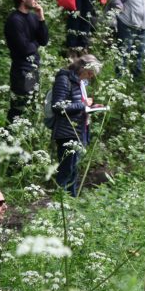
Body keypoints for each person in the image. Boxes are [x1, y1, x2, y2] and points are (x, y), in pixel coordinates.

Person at [49, 54, 102, 197]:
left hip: (79, 130)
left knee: (74, 169)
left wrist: (92, 107)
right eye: (90, 72)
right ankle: (61, 202)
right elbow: (57, 106)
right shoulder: (64, 79)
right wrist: (83, 105)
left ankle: (71, 201)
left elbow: (79, 105)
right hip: (67, 132)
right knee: (66, 170)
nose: (91, 76)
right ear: (82, 68)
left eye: (92, 74)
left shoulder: (80, 82)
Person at [4, 0, 49, 123]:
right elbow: (24, 48)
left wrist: (41, 17)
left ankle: (26, 138)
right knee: (19, 108)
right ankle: (8, 140)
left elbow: (44, 40)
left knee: (32, 106)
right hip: (21, 71)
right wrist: (35, 43)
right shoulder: (14, 20)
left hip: (34, 67)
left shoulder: (33, 17)